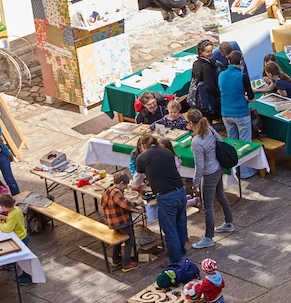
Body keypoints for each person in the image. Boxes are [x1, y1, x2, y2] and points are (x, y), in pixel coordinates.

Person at [135, 134, 189, 264]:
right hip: (180, 191)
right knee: (181, 225)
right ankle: (181, 251)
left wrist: (136, 185)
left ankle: (176, 261)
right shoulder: (166, 151)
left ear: (142, 146)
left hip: (166, 196)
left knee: (170, 230)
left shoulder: (143, 157)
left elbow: (137, 179)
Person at [185, 109, 234, 251]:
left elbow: (199, 166)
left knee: (208, 206)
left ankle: (208, 237)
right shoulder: (210, 129)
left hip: (209, 173)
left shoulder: (196, 142)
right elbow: (220, 141)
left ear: (191, 123)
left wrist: (195, 183)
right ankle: (229, 223)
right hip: (218, 168)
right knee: (221, 195)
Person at [218, 51, 257, 180]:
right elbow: (251, 97)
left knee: (232, 142)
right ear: (241, 62)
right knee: (245, 143)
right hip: (240, 113)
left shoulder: (221, 75)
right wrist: (245, 98)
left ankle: (233, 171)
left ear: (228, 61)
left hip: (226, 113)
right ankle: (246, 172)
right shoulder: (242, 76)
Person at [99, 170, 140, 272]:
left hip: (111, 221)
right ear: (121, 183)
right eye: (125, 186)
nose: (125, 188)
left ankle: (116, 259)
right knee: (130, 240)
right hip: (121, 222)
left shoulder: (108, 190)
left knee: (118, 240)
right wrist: (137, 202)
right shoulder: (116, 192)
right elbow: (127, 205)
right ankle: (126, 263)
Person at [0, 193, 33, 283]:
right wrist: (5, 217)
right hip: (23, 236)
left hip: (20, 239)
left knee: (24, 260)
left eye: (1, 207)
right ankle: (25, 274)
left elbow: (8, 229)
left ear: (4, 206)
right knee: (23, 260)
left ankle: (29, 278)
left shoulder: (12, 214)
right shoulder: (16, 209)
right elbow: (14, 220)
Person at [190, 40, 220, 120]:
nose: (210, 53)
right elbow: (210, 86)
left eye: (211, 51)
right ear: (201, 52)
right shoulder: (207, 67)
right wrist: (219, 94)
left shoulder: (196, 63)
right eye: (207, 51)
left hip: (200, 99)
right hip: (208, 100)